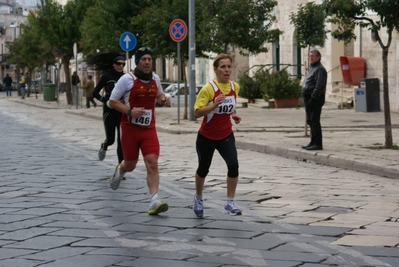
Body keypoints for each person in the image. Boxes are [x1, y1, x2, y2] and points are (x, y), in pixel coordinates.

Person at [108, 47, 170, 215]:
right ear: (137, 62)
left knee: (152, 162)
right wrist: (129, 111)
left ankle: (154, 200)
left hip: (149, 128)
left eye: (150, 59)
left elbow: (158, 95)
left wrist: (163, 100)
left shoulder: (156, 79)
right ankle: (120, 171)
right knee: (130, 164)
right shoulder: (126, 79)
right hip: (129, 129)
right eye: (144, 59)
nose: (147, 62)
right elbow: (112, 101)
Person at [192, 53, 242, 218]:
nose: (227, 70)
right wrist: (213, 105)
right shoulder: (208, 89)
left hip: (225, 134)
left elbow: (229, 106)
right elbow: (197, 113)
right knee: (203, 169)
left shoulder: (235, 87)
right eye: (223, 67)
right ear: (215, 70)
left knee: (233, 165)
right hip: (206, 136)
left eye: (229, 67)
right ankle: (198, 197)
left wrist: (233, 114)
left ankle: (230, 201)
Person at [88, 52, 125, 163]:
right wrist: (106, 101)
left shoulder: (126, 77)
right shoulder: (107, 77)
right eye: (118, 63)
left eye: (123, 64)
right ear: (113, 64)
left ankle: (120, 168)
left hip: (121, 112)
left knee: (121, 141)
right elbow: (95, 93)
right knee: (111, 139)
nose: (121, 66)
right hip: (109, 112)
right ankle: (104, 145)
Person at [301, 49, 327, 151]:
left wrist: (313, 97)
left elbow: (320, 85)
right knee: (310, 120)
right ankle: (313, 141)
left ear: (318, 57)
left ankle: (318, 143)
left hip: (315, 98)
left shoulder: (319, 69)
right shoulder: (312, 68)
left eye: (313, 56)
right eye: (310, 56)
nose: (311, 57)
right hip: (308, 98)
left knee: (314, 120)